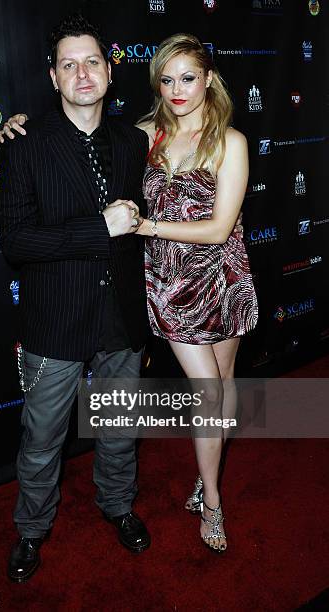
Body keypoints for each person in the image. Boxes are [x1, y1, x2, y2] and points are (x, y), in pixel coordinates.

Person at [0, 15, 151, 583]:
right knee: (42, 441)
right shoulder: (24, 143)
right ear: (53, 77)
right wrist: (98, 228)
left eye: (91, 62)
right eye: (69, 64)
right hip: (56, 320)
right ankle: (31, 531)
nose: (82, 73)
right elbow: (15, 243)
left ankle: (119, 505)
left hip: (120, 319)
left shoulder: (134, 142)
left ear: (109, 71)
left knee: (119, 427)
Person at [135, 33, 258, 552]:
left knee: (223, 385)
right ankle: (212, 500)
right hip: (170, 285)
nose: (177, 89)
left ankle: (204, 475)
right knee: (208, 392)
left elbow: (218, 227)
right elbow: (78, 137)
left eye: (188, 77)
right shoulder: (146, 136)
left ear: (208, 78)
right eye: (167, 79)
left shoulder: (230, 141)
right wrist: (17, 126)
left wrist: (146, 226)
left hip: (223, 279)